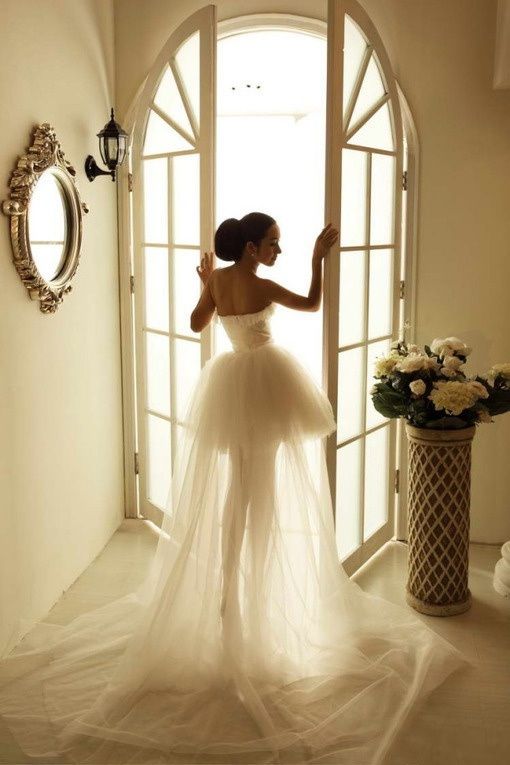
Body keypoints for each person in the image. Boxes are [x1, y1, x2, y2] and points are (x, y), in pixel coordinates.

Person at [0, 212, 468, 765]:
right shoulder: (264, 283)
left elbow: (199, 323)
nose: (278, 251)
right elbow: (312, 304)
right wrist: (319, 262)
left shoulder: (220, 280)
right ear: (249, 248)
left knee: (234, 497)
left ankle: (228, 594)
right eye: (273, 244)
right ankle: (253, 592)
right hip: (266, 386)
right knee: (259, 490)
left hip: (231, 385)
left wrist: (206, 284)